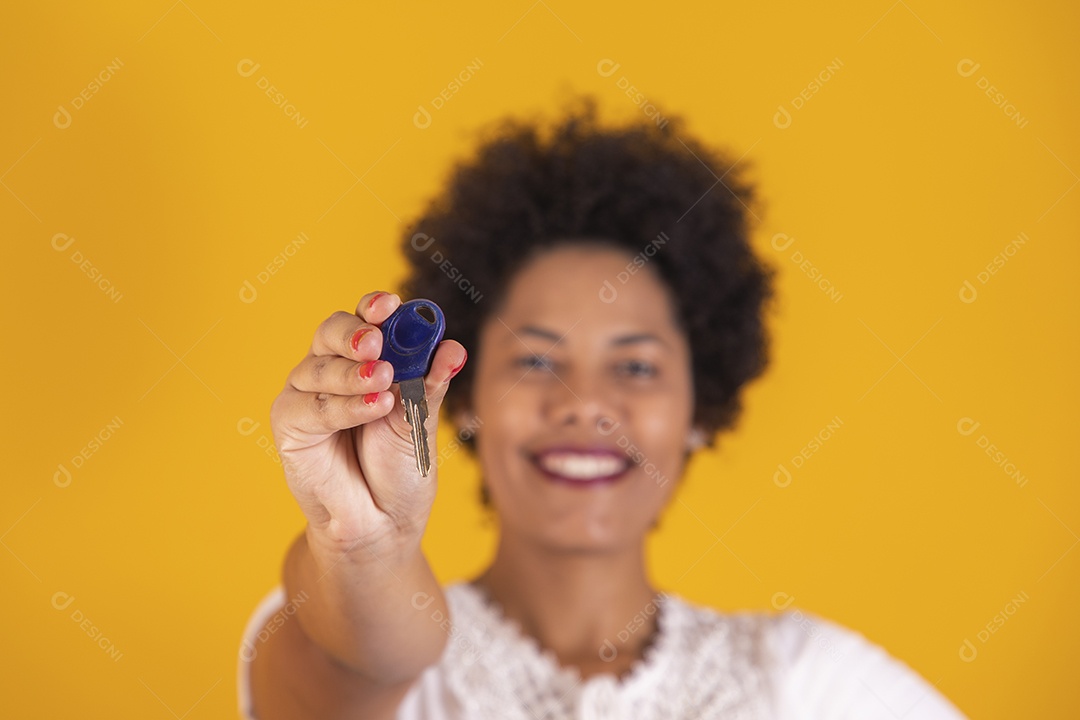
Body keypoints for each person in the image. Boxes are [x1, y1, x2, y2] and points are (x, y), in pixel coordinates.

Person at [238, 97, 968, 719]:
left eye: (636, 366)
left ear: (699, 410)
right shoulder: (341, 634)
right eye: (535, 359)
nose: (585, 405)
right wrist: (366, 548)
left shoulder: (810, 684)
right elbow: (363, 660)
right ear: (460, 398)